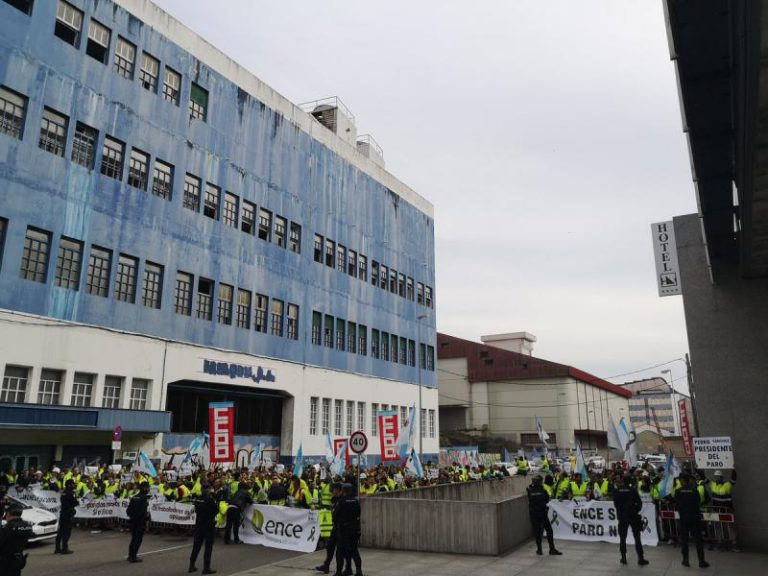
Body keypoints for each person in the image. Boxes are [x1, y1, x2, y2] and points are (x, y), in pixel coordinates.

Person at [612, 474, 649, 566]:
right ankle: (640, 558)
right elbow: (639, 503)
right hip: (633, 516)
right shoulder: (633, 491)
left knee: (622, 538)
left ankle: (623, 557)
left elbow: (615, 504)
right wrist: (635, 510)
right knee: (637, 537)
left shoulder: (617, 491)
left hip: (622, 517)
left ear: (623, 481)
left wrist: (621, 512)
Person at [675, 473, 709, 568]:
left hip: (684, 519)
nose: (679, 481)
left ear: (683, 481)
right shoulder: (694, 491)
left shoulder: (678, 491)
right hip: (695, 518)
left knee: (684, 540)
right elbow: (697, 502)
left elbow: (677, 505)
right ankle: (701, 561)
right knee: (698, 541)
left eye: (680, 480)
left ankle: (685, 560)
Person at [316, 483, 350, 575]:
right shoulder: (336, 500)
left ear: (340, 491)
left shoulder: (342, 501)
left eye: (334, 490)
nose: (333, 492)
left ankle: (341, 570)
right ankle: (326, 565)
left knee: (340, 551)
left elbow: (338, 514)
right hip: (335, 527)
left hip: (341, 528)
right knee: (330, 547)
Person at [526, 476, 561, 556]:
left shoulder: (529, 490)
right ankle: (552, 549)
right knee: (549, 530)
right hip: (542, 513)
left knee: (537, 532)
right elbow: (547, 499)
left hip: (534, 514)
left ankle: (539, 549)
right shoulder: (542, 491)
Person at [334, 484, 363, 576]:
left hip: (344, 529)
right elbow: (358, 514)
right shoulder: (356, 501)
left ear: (343, 491)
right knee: (354, 550)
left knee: (340, 551)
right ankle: (359, 571)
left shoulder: (341, 501)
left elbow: (335, 516)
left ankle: (339, 572)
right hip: (354, 528)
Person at [189, 484, 218, 574]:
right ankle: (206, 568)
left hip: (199, 524)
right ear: (208, 490)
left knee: (196, 546)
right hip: (208, 525)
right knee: (208, 547)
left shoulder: (198, 499)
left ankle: (191, 565)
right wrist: (215, 499)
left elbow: (196, 510)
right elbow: (216, 510)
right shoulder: (209, 500)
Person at [0, 502, 33, 576]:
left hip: (5, 562)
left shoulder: (7, 528)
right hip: (18, 559)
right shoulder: (28, 526)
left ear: (8, 514)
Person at [126, 481, 151, 563]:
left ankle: (130, 555)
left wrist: (133, 517)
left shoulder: (134, 497)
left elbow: (128, 511)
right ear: (145, 488)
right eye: (148, 488)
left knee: (133, 539)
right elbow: (143, 513)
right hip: (140, 522)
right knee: (137, 540)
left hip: (132, 521)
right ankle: (133, 557)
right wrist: (145, 520)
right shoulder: (144, 498)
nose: (149, 489)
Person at [55, 478, 78, 554]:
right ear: (69, 485)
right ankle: (65, 548)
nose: (73, 485)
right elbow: (75, 503)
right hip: (68, 514)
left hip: (63, 514)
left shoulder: (64, 493)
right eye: (72, 484)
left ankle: (57, 548)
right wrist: (76, 498)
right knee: (67, 532)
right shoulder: (70, 493)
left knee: (61, 531)